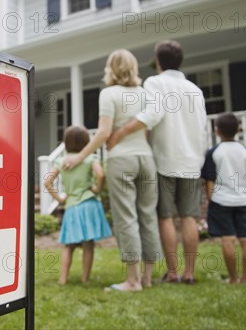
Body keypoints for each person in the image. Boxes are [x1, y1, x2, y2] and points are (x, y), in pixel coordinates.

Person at [106, 40, 207, 284]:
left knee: (165, 217)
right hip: (192, 160)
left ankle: (172, 273)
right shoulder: (195, 89)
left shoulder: (154, 83)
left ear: (158, 61)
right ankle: (190, 273)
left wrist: (120, 133)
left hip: (164, 159)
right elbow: (203, 126)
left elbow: (151, 114)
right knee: (189, 217)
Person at [62, 49, 161, 292]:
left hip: (122, 160)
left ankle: (133, 281)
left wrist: (80, 156)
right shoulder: (145, 93)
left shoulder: (108, 94)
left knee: (127, 217)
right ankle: (147, 277)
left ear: (111, 69)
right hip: (146, 158)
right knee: (148, 215)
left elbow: (104, 133)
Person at [44, 125, 112, 285]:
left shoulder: (61, 161)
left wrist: (60, 199)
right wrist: (97, 188)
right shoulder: (90, 158)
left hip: (72, 207)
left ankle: (62, 279)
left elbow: (47, 182)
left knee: (69, 245)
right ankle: (85, 279)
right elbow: (101, 174)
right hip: (89, 204)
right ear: (87, 142)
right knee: (88, 245)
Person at [201, 112, 246, 284]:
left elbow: (209, 180)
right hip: (243, 201)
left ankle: (233, 278)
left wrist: (212, 198)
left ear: (217, 131)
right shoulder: (245, 151)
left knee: (227, 239)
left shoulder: (214, 152)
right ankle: (245, 278)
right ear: (238, 130)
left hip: (221, 201)